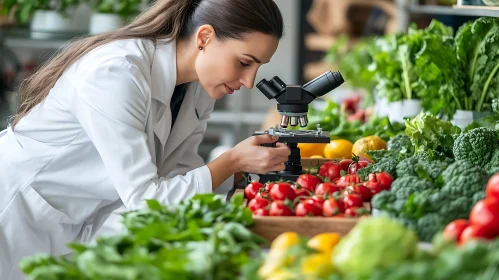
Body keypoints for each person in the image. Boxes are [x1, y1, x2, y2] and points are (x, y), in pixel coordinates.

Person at [0, 0, 290, 278]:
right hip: (17, 214)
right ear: (205, 37)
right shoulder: (116, 72)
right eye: (243, 63)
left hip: (69, 225)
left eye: (257, 67)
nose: (250, 81)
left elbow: (179, 170)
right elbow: (146, 199)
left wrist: (241, 169)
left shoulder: (198, 87)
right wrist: (231, 161)